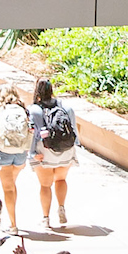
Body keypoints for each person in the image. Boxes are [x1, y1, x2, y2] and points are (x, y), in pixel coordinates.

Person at [0, 84, 33, 233]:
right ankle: (12, 218)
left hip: (3, 152)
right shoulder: (22, 110)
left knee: (8, 188)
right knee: (12, 184)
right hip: (20, 152)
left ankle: (13, 224)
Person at [27, 81, 80, 228]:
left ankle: (46, 218)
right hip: (66, 151)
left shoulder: (34, 109)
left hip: (44, 152)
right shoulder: (66, 107)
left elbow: (33, 134)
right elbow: (74, 130)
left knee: (45, 185)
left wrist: (31, 153)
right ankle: (61, 208)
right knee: (61, 180)